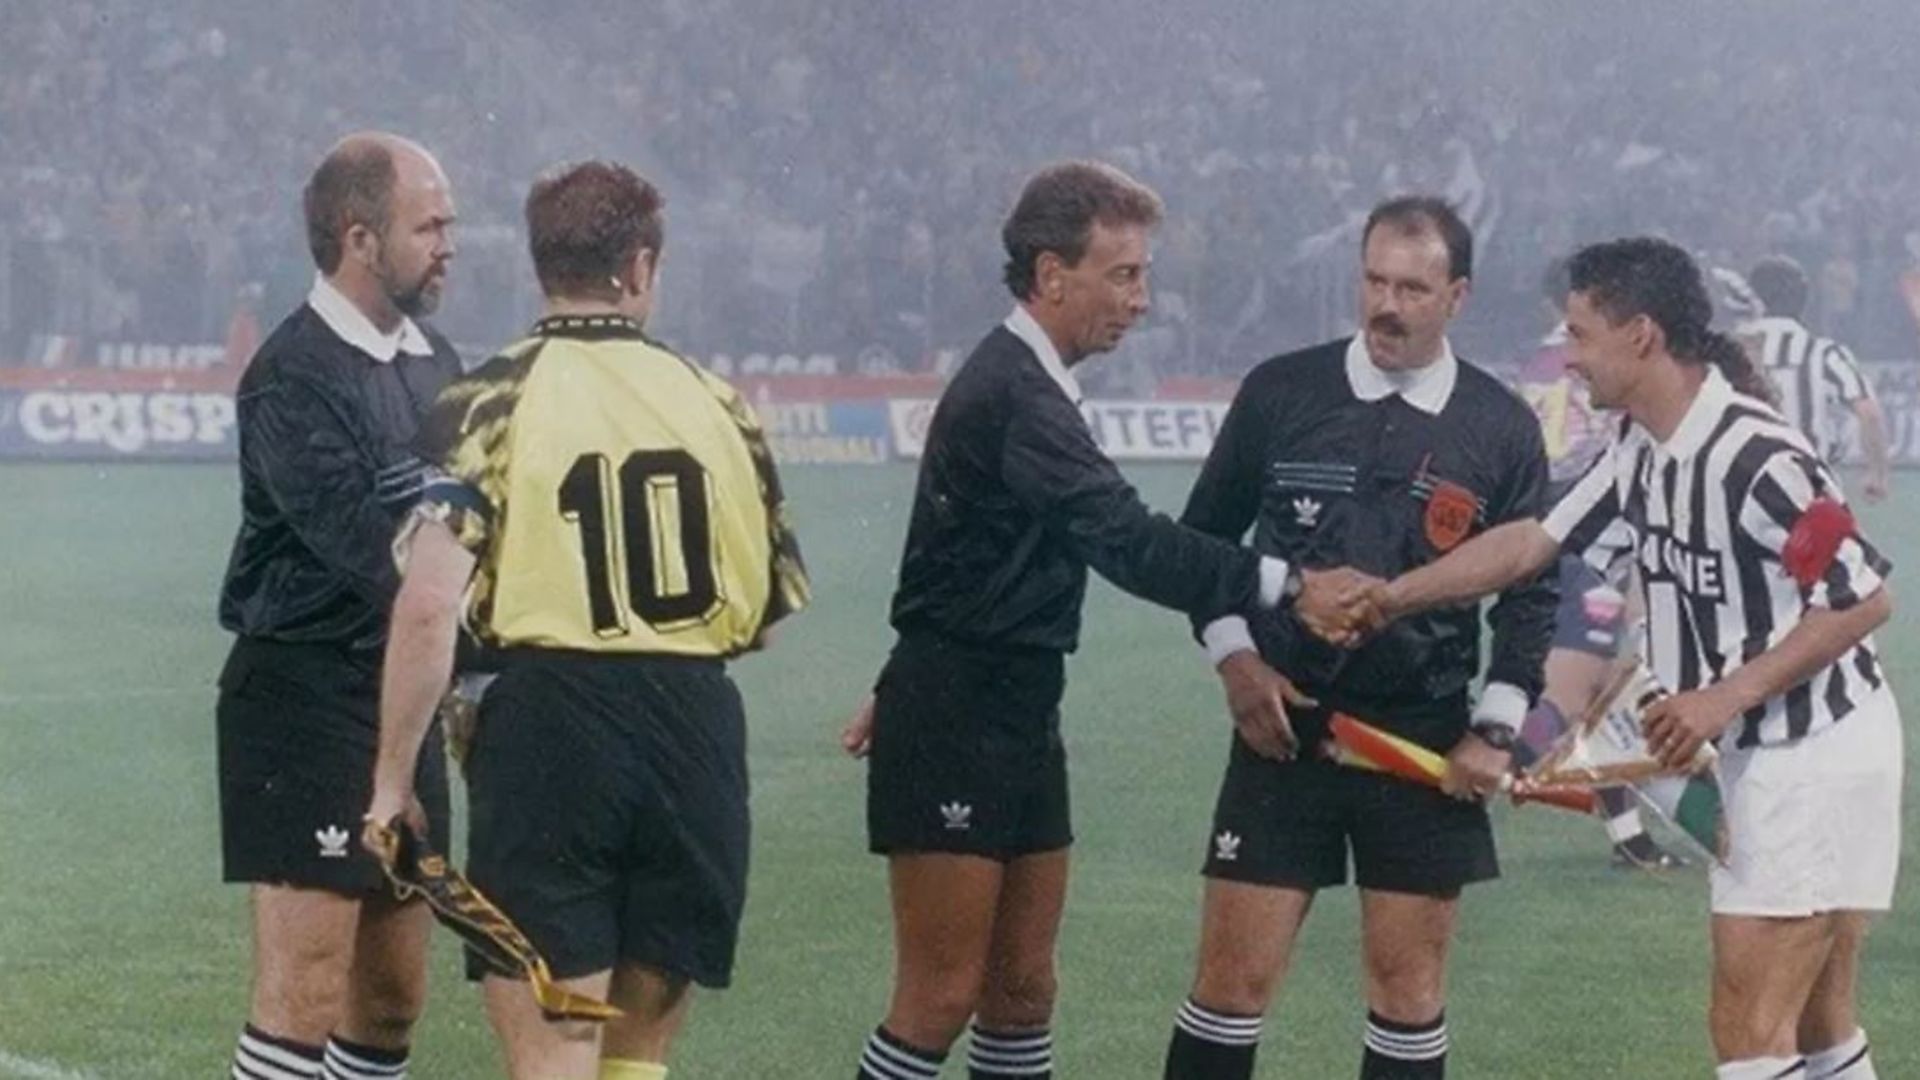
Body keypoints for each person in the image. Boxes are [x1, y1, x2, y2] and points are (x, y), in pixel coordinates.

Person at [1359, 237, 1899, 1080]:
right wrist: (1391, 596)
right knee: (1822, 1026)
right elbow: (1530, 545)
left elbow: (1863, 594)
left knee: (1749, 1033)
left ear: (1641, 335)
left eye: (1578, 334)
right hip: (1755, 760)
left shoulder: (1755, 455)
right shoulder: (1639, 446)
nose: (1567, 357)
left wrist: (1723, 697)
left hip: (1810, 757)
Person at [842, 160, 1292, 1080]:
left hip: (1012, 705)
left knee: (1022, 989)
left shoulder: (1036, 381)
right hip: (959, 712)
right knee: (939, 994)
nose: (1144, 300)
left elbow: (949, 555)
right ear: (1053, 276)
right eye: (1124, 274)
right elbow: (1125, 539)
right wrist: (1289, 582)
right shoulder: (1014, 390)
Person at [363, 160, 808, 1080]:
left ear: (540, 267)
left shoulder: (487, 399)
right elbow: (765, 618)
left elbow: (429, 604)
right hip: (694, 727)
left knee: (556, 1047)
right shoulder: (721, 405)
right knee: (636, 1055)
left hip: (550, 726)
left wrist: (390, 781)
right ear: (641, 267)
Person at [1159, 196, 1555, 1080]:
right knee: (1231, 983)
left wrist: (1494, 727)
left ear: (1457, 296)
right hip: (1281, 728)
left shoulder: (1499, 424)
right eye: (1374, 280)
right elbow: (1201, 550)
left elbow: (1531, 595)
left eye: (1413, 288)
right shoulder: (1281, 391)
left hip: (1420, 740)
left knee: (1407, 989)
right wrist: (1236, 660)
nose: (1387, 304)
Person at [215, 132, 460, 1080]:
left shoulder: (438, 359)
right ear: (360, 238)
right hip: (303, 701)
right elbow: (376, 554)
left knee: (392, 1002)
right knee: (304, 997)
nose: (450, 242)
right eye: (428, 224)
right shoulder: (291, 375)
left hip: (405, 700)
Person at [1511, 257, 1685, 870]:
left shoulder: (1535, 363)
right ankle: (1496, 767)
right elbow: (1613, 455)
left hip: (1547, 532)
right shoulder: (1606, 366)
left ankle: (1628, 840)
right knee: (1581, 696)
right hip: (1591, 547)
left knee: (1603, 697)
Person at [1739, 255, 1891, 502]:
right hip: (1810, 491)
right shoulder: (1823, 353)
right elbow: (1869, 412)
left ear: (1754, 300)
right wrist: (1877, 474)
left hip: (1742, 494)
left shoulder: (1727, 352)